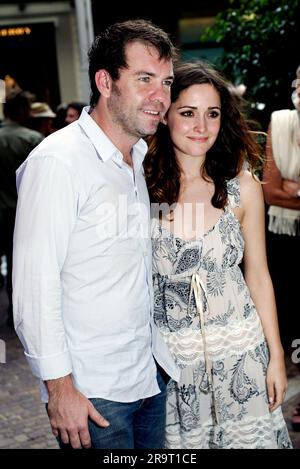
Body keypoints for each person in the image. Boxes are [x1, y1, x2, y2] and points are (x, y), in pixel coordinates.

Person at [13, 19, 179, 450]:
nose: (160, 97)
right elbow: (34, 286)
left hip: (147, 375)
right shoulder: (58, 162)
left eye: (166, 82)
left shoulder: (137, 156)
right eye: (144, 79)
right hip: (94, 393)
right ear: (105, 81)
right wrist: (60, 389)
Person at [144, 61, 292, 449]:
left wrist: (276, 355)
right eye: (188, 113)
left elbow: (258, 275)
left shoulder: (242, 185)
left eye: (212, 114)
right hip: (176, 367)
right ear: (165, 116)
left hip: (243, 353)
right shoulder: (139, 186)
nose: (201, 127)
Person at [262, 66, 300, 353]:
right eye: (298, 79)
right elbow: (271, 192)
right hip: (287, 241)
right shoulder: (282, 122)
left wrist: (294, 189)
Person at [0, 91, 43, 328]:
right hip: (20, 213)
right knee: (23, 265)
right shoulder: (32, 139)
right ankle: (19, 316)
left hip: (5, 210)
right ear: (22, 111)